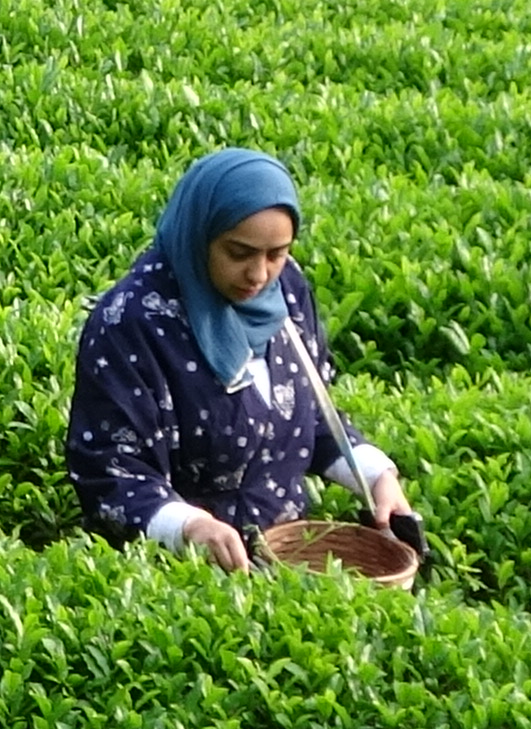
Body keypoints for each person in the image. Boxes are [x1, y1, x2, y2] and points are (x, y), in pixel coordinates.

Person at [66, 147, 408, 572]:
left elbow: (311, 414)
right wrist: (190, 527)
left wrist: (376, 478)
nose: (259, 275)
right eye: (239, 253)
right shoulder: (131, 323)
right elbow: (110, 469)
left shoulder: (287, 293)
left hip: (288, 557)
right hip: (179, 573)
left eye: (276, 254)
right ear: (199, 235)